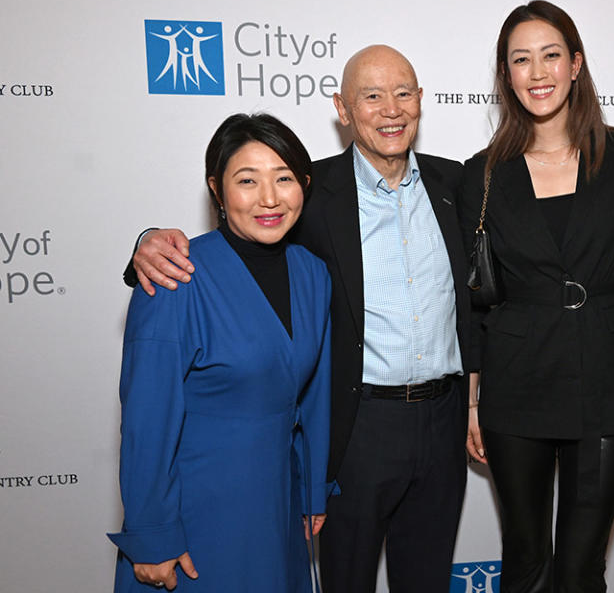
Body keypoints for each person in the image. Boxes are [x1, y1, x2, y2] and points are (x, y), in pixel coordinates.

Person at [126, 45, 469, 593]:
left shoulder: (457, 183)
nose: (390, 109)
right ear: (343, 108)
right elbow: (149, 413)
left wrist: (473, 397)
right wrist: (145, 243)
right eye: (371, 96)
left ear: (422, 101)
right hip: (356, 431)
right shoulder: (314, 195)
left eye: (403, 93)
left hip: (438, 422)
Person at [458, 1, 614, 593]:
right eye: (521, 60)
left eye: (550, 56)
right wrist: (472, 401)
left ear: (576, 65)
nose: (537, 72)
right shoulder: (482, 173)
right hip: (516, 385)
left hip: (606, 377)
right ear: (506, 74)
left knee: (580, 568)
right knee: (525, 561)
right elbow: (471, 300)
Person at [108, 113, 334, 592]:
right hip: (197, 510)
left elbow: (314, 395)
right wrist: (151, 534)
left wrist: (313, 491)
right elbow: (147, 419)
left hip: (278, 504)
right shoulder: (174, 275)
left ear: (304, 185)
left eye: (284, 178)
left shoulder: (312, 273)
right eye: (247, 180)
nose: (269, 198)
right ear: (217, 189)